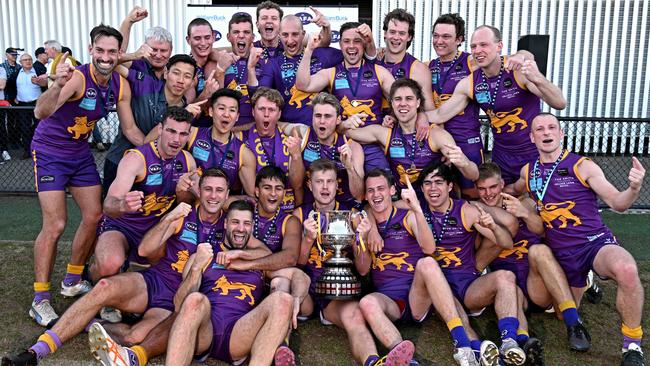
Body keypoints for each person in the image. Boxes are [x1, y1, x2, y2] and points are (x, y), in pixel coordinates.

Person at [1, 168, 231, 366]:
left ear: (227, 195)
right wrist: (170, 218)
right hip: (154, 280)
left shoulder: (232, 224)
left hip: (176, 300)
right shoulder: (184, 213)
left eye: (219, 190)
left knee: (135, 336)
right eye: (208, 189)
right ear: (198, 191)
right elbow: (144, 250)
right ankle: (36, 352)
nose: (213, 195)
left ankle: (90, 323)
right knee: (103, 286)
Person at [510, 113, 646, 365]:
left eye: (552, 127)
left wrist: (634, 189)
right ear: (532, 137)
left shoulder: (582, 166)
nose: (546, 132)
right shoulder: (528, 171)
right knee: (562, 313)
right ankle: (586, 281)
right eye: (539, 129)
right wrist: (487, 194)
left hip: (594, 244)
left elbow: (618, 203)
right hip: (559, 254)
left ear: (561, 134)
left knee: (626, 268)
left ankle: (632, 345)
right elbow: (514, 189)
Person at [28, 25, 126, 327]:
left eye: (112, 52)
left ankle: (72, 279)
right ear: (91, 50)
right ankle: (40, 299)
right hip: (50, 152)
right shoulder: (77, 78)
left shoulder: (118, 84)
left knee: (94, 215)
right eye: (100, 50)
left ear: (119, 54)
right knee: (56, 224)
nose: (106, 57)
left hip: (79, 154)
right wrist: (56, 85)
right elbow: (40, 112)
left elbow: (131, 128)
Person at [358, 168, 489, 366]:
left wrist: (418, 209)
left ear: (392, 190)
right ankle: (403, 359)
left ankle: (461, 343)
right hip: (390, 302)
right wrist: (363, 238)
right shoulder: (364, 224)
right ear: (366, 195)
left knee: (427, 263)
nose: (376, 195)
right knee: (367, 302)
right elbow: (362, 270)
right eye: (371, 191)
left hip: (417, 296)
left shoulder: (407, 216)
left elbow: (429, 248)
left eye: (381, 189)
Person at [417, 161, 529, 365]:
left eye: (439, 182)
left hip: (468, 285)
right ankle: (478, 350)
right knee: (450, 301)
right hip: (437, 288)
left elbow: (506, 242)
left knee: (506, 276)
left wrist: (493, 227)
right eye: (427, 183)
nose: (433, 189)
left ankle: (509, 342)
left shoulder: (466, 210)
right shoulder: (416, 211)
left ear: (450, 186)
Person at [474, 162, 589, 358]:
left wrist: (524, 213)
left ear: (502, 184)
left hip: (538, 284)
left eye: (493, 187)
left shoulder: (523, 202)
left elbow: (543, 230)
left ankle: (573, 323)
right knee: (508, 283)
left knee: (539, 250)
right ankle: (525, 344)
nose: (488, 193)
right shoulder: (478, 215)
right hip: (510, 289)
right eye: (482, 189)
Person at [427, 25, 566, 184]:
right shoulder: (469, 83)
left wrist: (537, 76)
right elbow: (440, 114)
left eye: (484, 45)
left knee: (536, 202)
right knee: (501, 200)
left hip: (533, 152)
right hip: (502, 156)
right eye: (473, 46)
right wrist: (404, 116)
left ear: (499, 46)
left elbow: (559, 102)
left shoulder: (517, 71)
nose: (478, 50)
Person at [90, 106, 197, 281]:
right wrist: (123, 205)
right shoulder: (136, 159)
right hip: (123, 226)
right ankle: (92, 273)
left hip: (156, 229)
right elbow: (108, 205)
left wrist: (182, 192)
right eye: (171, 131)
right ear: (160, 129)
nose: (176, 139)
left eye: (183, 134)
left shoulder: (187, 161)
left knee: (169, 269)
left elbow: (188, 202)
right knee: (109, 264)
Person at [341, 78, 477, 191]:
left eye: (409, 99)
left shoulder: (437, 135)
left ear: (418, 103)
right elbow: (347, 132)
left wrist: (464, 163)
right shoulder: (384, 133)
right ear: (392, 104)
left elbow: (473, 175)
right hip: (404, 204)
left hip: (435, 203)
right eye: (398, 99)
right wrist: (345, 123)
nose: (403, 104)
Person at [296, 22, 392, 172]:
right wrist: (309, 50)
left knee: (381, 185)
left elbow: (401, 98)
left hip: (372, 145)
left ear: (364, 44)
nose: (351, 46)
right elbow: (303, 85)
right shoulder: (332, 73)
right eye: (346, 41)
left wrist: (392, 116)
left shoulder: (379, 71)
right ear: (340, 44)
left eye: (357, 41)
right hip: (342, 143)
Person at [104, 54, 198, 192]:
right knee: (112, 209)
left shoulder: (185, 110)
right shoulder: (146, 83)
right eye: (176, 73)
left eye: (187, 76)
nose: (180, 80)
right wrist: (134, 54)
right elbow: (112, 64)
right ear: (166, 73)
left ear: (192, 82)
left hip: (155, 169)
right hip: (119, 159)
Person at [248, 14, 339, 126]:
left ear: (303, 34)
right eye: (285, 35)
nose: (290, 40)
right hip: (290, 130)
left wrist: (327, 27)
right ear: (279, 36)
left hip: (321, 126)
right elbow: (258, 95)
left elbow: (352, 53)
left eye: (295, 34)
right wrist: (251, 68)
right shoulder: (273, 63)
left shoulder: (322, 54)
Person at [282, 92, 365, 205]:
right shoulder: (303, 134)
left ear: (338, 120)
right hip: (310, 209)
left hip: (342, 211)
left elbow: (359, 195)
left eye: (327, 116)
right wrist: (296, 156)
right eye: (318, 116)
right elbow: (296, 185)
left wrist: (349, 168)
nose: (322, 121)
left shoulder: (352, 146)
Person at [242, 87, 305, 212]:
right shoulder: (241, 139)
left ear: (279, 114)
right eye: (261, 109)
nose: (266, 114)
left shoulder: (291, 138)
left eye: (271, 110)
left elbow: (297, 184)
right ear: (253, 112)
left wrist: (296, 156)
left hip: (288, 207)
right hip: (255, 209)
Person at [186, 88, 256, 196]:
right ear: (210, 111)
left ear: (237, 117)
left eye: (232, 110)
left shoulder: (244, 154)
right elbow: (160, 137)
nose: (226, 114)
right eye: (221, 108)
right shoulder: (192, 134)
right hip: (192, 202)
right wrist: (184, 114)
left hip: (222, 207)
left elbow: (251, 196)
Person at [375, 9, 436, 115]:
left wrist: (422, 117)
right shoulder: (373, 62)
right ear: (385, 33)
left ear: (409, 37)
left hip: (402, 129)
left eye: (402, 33)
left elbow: (430, 111)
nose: (396, 37)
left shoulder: (419, 69)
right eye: (392, 32)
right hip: (373, 128)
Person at [118, 7, 173, 81]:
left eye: (163, 51)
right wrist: (129, 21)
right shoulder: (137, 64)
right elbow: (116, 57)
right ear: (144, 47)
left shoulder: (175, 69)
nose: (158, 55)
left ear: (171, 50)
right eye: (154, 50)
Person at [12, 53, 45, 159]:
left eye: (30, 59)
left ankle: (39, 150)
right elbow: (10, 86)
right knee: (24, 128)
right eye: (25, 60)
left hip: (37, 104)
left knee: (39, 127)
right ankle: (27, 151)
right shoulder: (16, 73)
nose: (28, 61)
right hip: (22, 105)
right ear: (20, 62)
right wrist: (13, 98)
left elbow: (47, 85)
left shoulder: (38, 71)